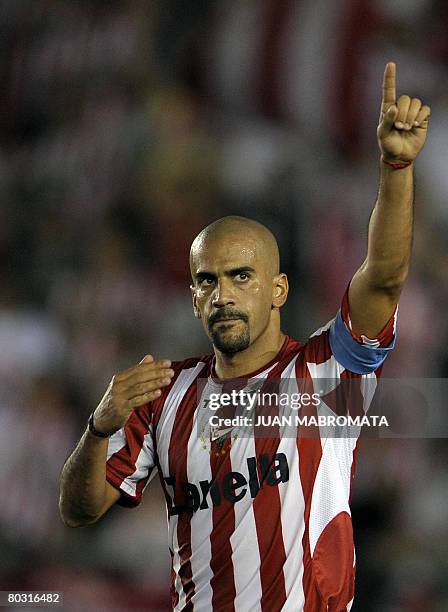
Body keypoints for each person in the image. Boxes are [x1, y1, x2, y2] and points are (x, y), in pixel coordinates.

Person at [59, 63, 430, 611]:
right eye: (206, 280)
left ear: (278, 289)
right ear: (192, 297)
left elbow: (385, 275)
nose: (222, 295)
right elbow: (79, 509)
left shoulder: (327, 374)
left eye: (241, 276)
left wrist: (396, 166)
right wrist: (99, 427)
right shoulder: (162, 396)